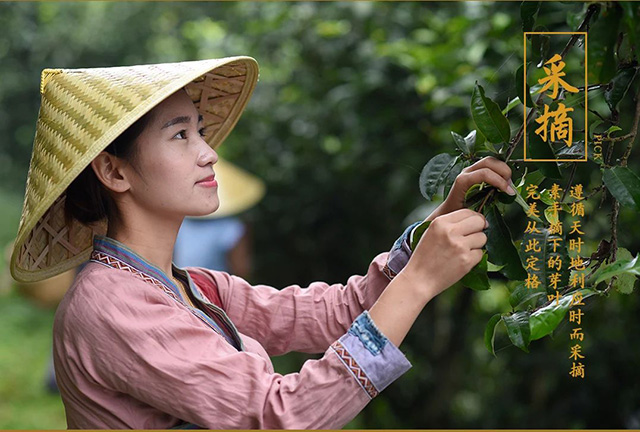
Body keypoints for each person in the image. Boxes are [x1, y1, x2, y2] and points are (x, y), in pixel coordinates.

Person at [10, 57, 516, 429]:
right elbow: (282, 415)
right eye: (180, 135)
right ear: (114, 171)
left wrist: (435, 225)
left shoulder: (192, 288)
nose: (209, 154)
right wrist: (420, 281)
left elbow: (333, 312)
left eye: (201, 132)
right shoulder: (113, 305)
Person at [174, 157, 266, 279]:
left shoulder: (179, 223)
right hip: (214, 292)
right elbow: (241, 269)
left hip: (180, 288)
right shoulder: (231, 227)